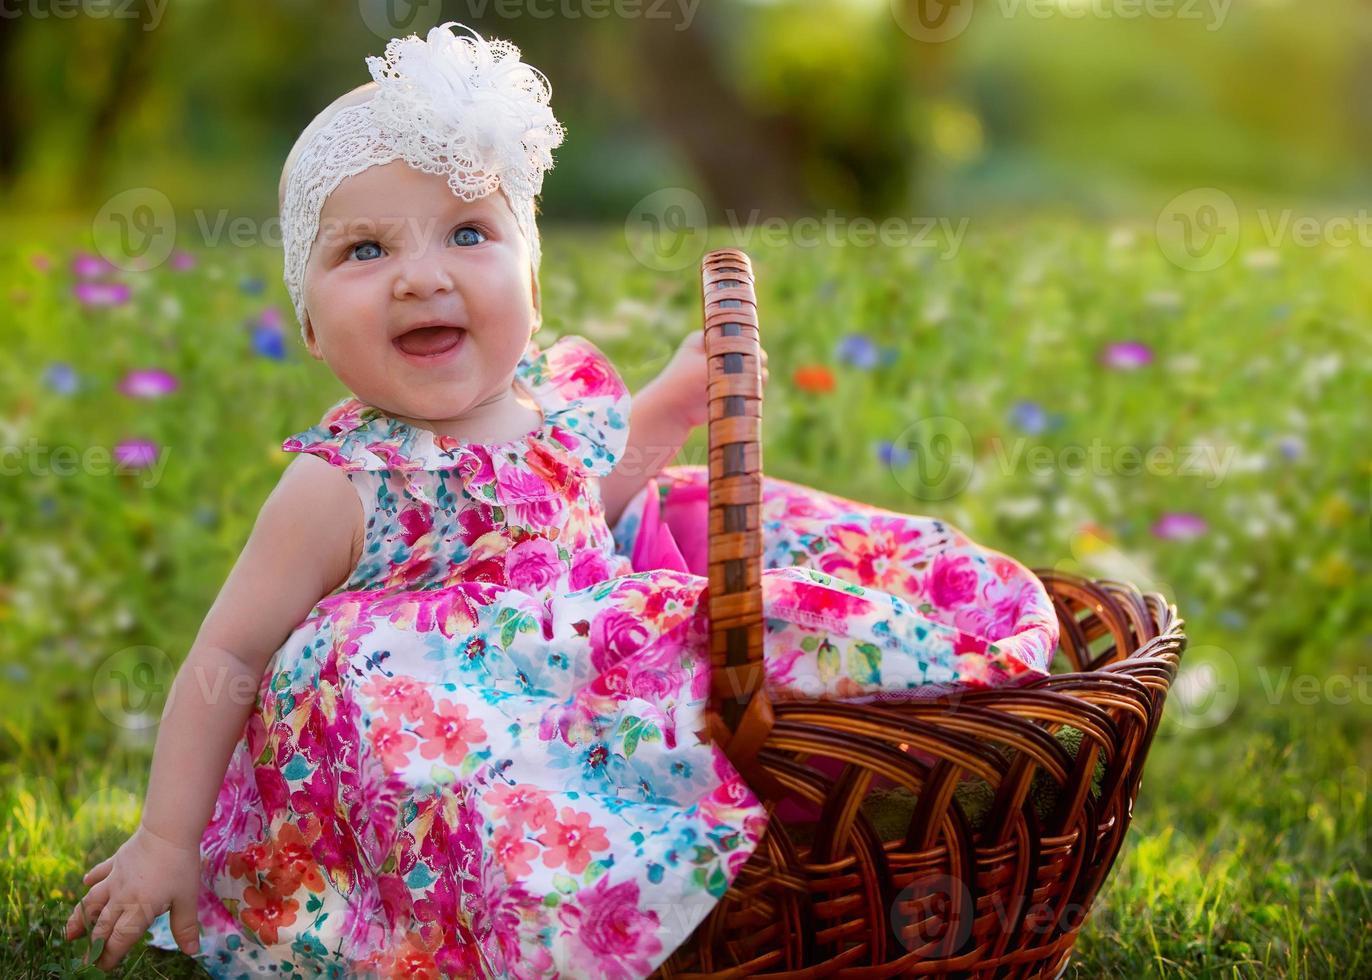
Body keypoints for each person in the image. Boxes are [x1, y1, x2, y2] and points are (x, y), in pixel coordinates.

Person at [64, 22, 1060, 979]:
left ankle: (911, 716)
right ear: (312, 327)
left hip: (586, 670)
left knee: (770, 613)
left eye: (466, 232)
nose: (420, 277)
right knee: (358, 658)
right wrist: (165, 837)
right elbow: (227, 652)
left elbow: (584, 513)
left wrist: (667, 407)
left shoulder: (552, 404)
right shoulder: (342, 482)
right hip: (469, 755)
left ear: (533, 286)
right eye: (363, 251)